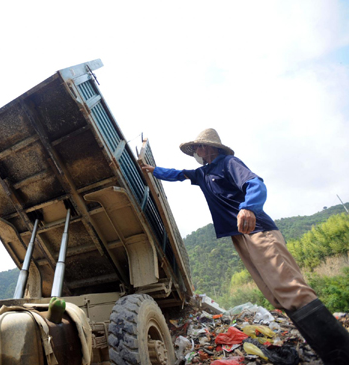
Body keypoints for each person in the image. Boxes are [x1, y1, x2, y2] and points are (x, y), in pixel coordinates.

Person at [142, 128, 349, 365]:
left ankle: (341, 353)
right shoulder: (204, 173)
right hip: (239, 236)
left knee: (290, 289)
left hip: (257, 230)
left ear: (211, 147)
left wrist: (248, 207)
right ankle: (329, 354)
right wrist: (154, 171)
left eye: (199, 147)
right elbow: (179, 174)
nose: (196, 152)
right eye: (195, 148)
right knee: (277, 296)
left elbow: (256, 183)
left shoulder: (228, 163)